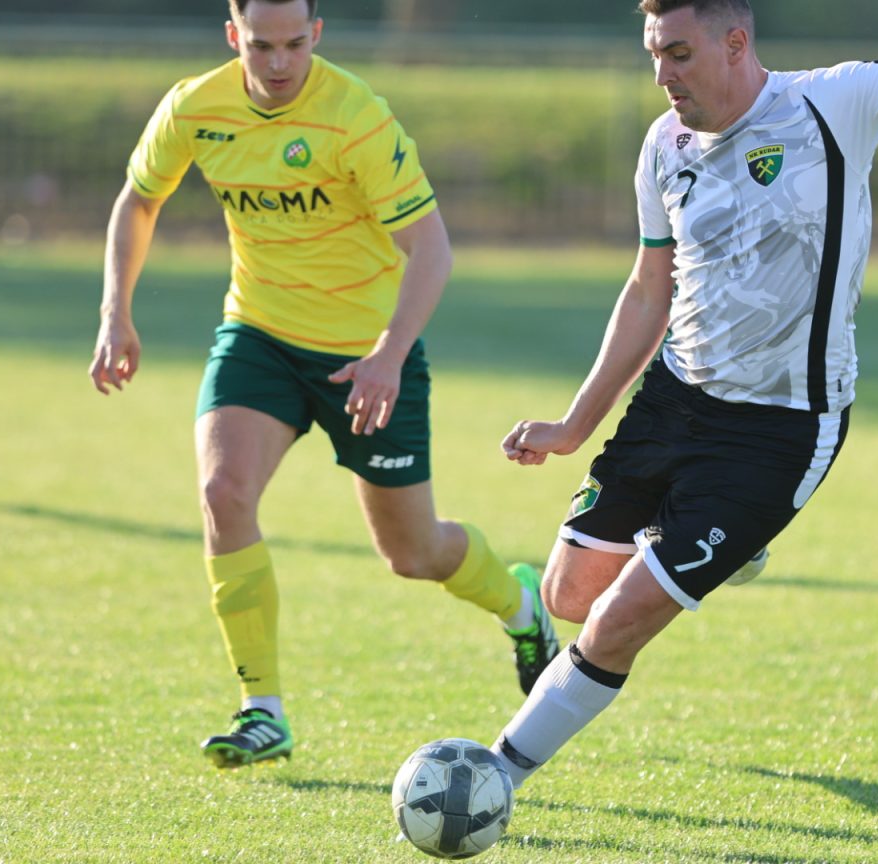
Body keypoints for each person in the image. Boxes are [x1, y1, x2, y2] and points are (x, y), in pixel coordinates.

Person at [489, 0, 878, 790]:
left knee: (616, 624)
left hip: (778, 432)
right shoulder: (664, 144)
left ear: (735, 42)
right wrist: (574, 424)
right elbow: (649, 291)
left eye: (678, 53)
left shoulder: (835, 102)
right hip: (673, 399)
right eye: (654, 54)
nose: (662, 74)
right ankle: (724, 540)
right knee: (569, 596)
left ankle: (492, 778)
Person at [87, 0, 560, 770]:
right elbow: (139, 198)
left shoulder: (356, 117)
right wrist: (116, 313)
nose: (278, 64)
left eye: (294, 45)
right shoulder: (195, 107)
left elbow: (431, 248)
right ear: (233, 36)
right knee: (222, 493)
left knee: (413, 553)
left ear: (317, 34)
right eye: (261, 46)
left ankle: (521, 604)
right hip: (260, 335)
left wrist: (389, 353)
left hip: (368, 355)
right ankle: (262, 710)